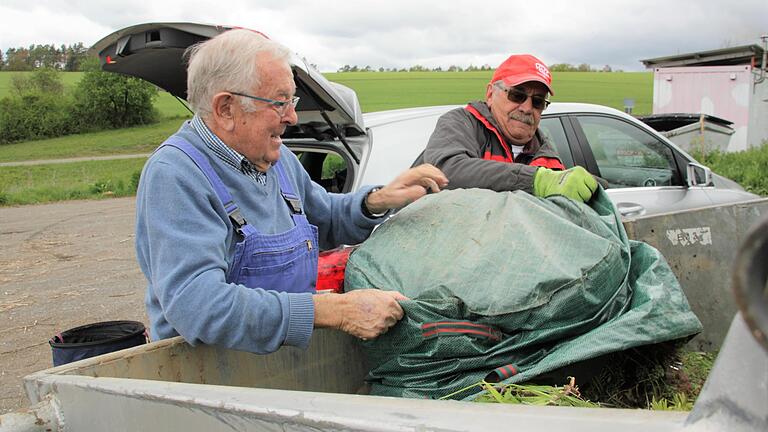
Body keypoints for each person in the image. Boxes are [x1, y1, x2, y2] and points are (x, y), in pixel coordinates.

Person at [135, 29, 448, 354]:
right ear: (226, 109)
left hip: (279, 367)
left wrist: (376, 201)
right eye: (279, 102)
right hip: (210, 380)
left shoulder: (278, 158)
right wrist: (336, 311)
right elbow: (199, 307)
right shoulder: (175, 175)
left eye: (292, 101)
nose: (293, 116)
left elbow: (325, 218)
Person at [413, 54, 597, 202]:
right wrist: (534, 180)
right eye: (517, 95)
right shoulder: (461, 123)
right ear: (490, 94)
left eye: (538, 101)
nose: (526, 108)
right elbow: (446, 172)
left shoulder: (546, 154)